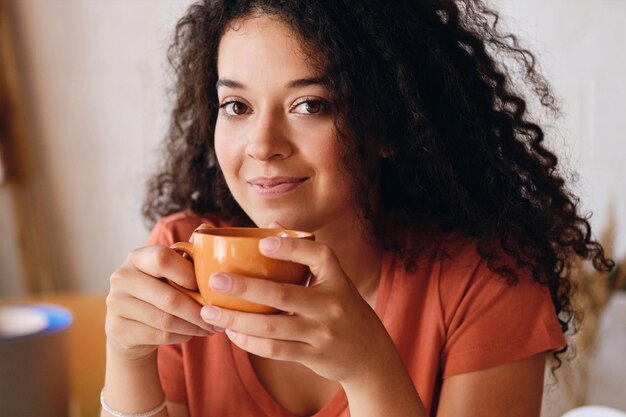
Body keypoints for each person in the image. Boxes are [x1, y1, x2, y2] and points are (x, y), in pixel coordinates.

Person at [101, 1, 614, 416]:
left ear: (389, 125)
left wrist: (371, 373)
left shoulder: (487, 283)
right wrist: (127, 359)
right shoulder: (178, 257)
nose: (262, 145)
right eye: (237, 106)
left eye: (311, 105)